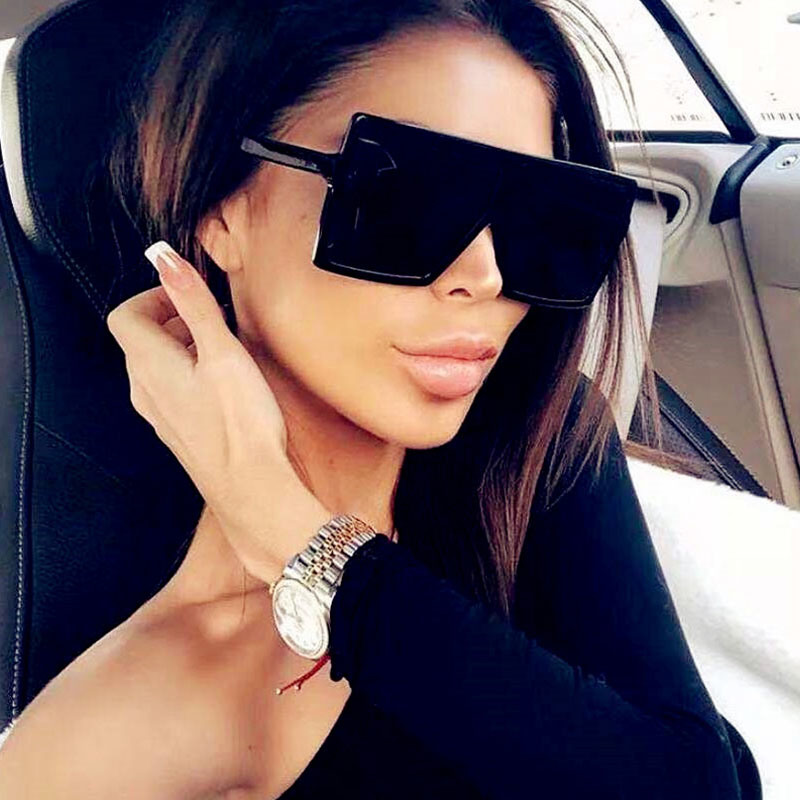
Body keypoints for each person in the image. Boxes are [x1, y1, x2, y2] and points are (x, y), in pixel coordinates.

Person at [0, 0, 758, 798]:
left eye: (539, 216)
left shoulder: (540, 434)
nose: (486, 277)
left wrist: (293, 537)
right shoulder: (132, 724)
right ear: (216, 211)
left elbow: (700, 780)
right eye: (408, 197)